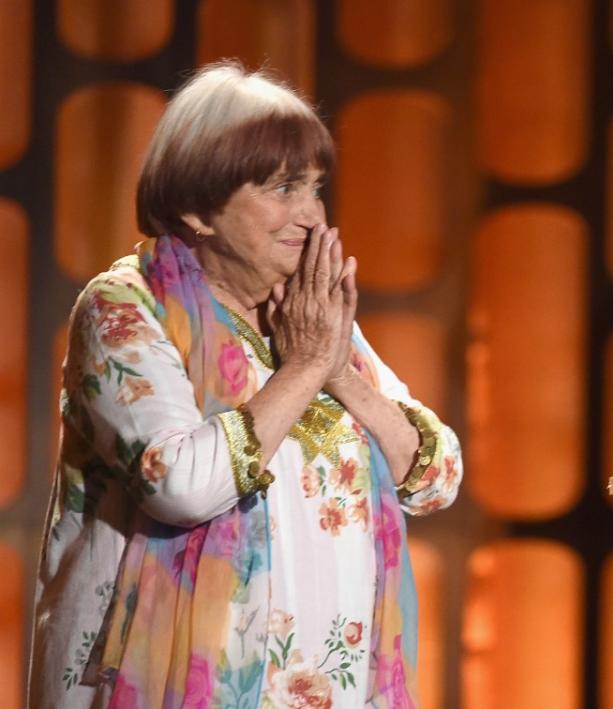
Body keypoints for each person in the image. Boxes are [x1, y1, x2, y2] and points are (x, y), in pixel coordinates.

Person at [29, 62, 462, 708]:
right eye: (282, 188)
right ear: (195, 207)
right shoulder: (125, 309)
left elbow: (437, 478)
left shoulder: (307, 317)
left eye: (315, 188)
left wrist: (339, 370)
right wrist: (305, 370)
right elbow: (178, 482)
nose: (312, 215)